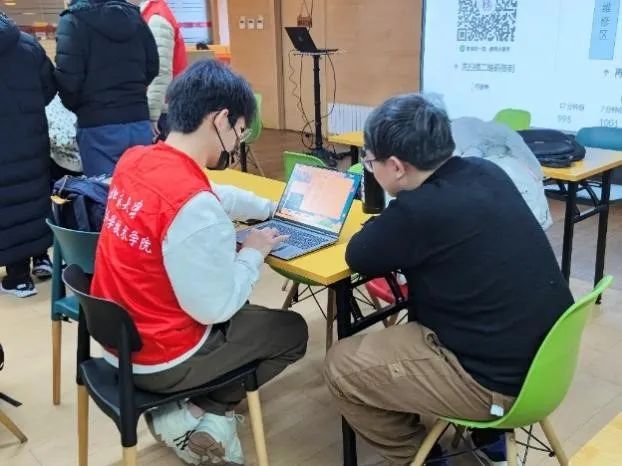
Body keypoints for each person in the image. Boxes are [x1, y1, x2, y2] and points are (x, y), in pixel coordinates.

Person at [324, 94, 574, 466]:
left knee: (340, 367)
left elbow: (358, 255)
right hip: (548, 362)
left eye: (370, 160)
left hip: (497, 386)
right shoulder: (485, 170)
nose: (369, 168)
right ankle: (489, 441)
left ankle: (423, 458)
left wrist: (388, 213)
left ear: (396, 166)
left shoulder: (418, 211)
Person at [90, 60, 308, 465]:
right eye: (240, 131)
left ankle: (184, 411)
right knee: (290, 331)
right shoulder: (194, 208)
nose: (237, 144)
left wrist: (272, 208)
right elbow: (215, 307)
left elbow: (210, 194)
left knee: (244, 312)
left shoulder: (136, 160)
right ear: (221, 120)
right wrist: (253, 251)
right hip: (160, 359)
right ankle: (203, 412)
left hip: (118, 340)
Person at [54, 0, 159, 177]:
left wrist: (82, 107)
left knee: (102, 190)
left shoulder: (73, 20)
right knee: (141, 189)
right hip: (138, 119)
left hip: (97, 125)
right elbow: (152, 67)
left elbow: (68, 82)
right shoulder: (135, 18)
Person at [0, 11, 56, 297]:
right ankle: (42, 257)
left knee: (8, 203)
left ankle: (18, 276)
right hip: (31, 135)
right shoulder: (28, 44)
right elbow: (50, 86)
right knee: (35, 193)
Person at [140, 0, 188, 140]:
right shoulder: (150, 12)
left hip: (162, 110)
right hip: (164, 107)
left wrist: (152, 115)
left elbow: (160, 73)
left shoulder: (157, 18)